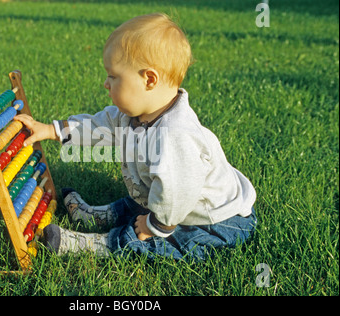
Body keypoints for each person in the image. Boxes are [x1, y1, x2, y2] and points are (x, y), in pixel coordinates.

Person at [14, 13, 257, 262]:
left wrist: (155, 227)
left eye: (114, 76)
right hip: (169, 200)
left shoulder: (175, 136)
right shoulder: (131, 115)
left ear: (149, 79)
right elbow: (96, 125)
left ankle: (99, 245)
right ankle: (98, 215)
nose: (106, 84)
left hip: (216, 220)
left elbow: (176, 196)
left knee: (171, 241)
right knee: (139, 203)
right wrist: (50, 130)